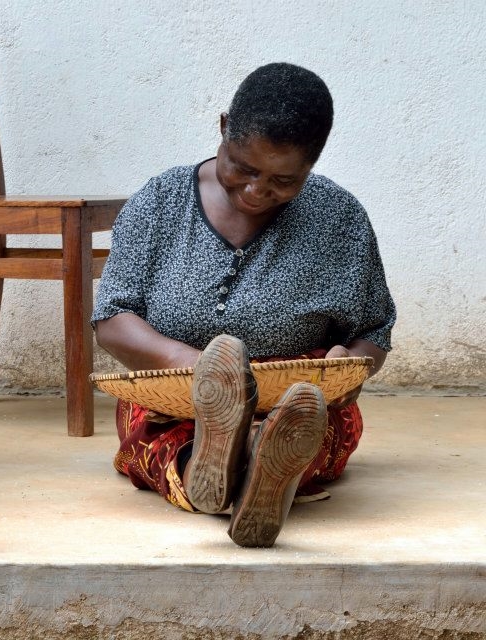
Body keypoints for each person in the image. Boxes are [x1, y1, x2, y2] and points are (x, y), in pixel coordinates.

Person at [92, 62, 396, 548]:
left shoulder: (339, 217)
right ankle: (236, 467)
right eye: (244, 167)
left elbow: (373, 330)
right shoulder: (160, 202)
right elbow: (112, 319)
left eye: (283, 180)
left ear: (311, 166)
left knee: (303, 427)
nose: (257, 190)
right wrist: (204, 373)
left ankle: (248, 461)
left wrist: (351, 366)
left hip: (296, 395)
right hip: (174, 395)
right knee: (161, 434)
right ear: (223, 129)